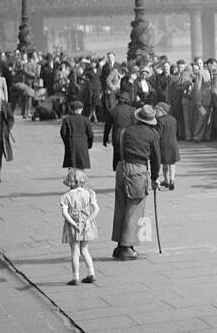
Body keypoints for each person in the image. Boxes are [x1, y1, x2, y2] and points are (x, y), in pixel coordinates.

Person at [110, 104, 162, 261]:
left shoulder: (127, 130)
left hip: (122, 167)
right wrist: (154, 178)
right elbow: (156, 159)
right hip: (138, 169)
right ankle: (127, 247)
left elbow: (118, 150)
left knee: (121, 206)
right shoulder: (152, 134)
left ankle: (120, 245)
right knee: (135, 208)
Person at [59, 168, 100, 286]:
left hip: (73, 226)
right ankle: (91, 273)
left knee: (75, 252)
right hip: (86, 225)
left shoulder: (66, 197)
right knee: (85, 250)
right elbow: (96, 209)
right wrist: (88, 221)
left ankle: (75, 277)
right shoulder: (89, 193)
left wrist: (73, 223)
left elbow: (65, 213)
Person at [59, 99, 94, 176]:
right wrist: (89, 144)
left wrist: (66, 142)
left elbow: (63, 133)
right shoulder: (86, 120)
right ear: (81, 109)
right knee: (81, 165)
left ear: (72, 109)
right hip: (82, 143)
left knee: (71, 165)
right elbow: (90, 134)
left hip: (70, 143)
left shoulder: (67, 120)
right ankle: (80, 182)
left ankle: (72, 181)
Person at [155, 101, 181, 190]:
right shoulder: (173, 119)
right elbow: (175, 131)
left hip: (164, 145)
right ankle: (172, 181)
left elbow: (159, 134)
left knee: (165, 164)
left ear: (162, 110)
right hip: (173, 143)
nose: (156, 112)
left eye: (157, 110)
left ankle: (166, 181)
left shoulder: (160, 121)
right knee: (172, 163)